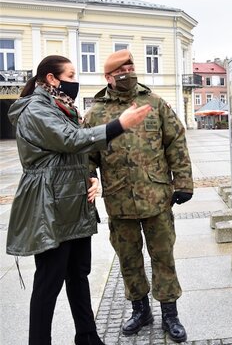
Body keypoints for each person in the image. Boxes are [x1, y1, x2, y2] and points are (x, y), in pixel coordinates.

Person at [6, 55, 151, 345]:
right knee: (49, 282)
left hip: (73, 200)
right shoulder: (36, 109)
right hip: (50, 205)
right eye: (70, 75)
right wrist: (118, 125)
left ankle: (87, 336)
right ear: (51, 78)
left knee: (78, 274)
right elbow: (71, 140)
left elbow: (75, 152)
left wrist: (90, 175)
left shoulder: (62, 107)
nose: (75, 80)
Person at [84, 49, 193, 343]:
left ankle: (170, 313)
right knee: (129, 260)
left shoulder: (155, 103)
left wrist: (182, 182)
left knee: (163, 256)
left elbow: (176, 142)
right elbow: (86, 155)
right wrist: (88, 179)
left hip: (157, 198)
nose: (129, 71)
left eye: (132, 66)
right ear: (108, 76)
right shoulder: (95, 113)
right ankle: (140, 310)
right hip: (119, 202)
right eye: (122, 68)